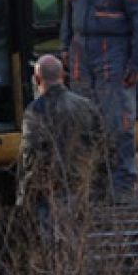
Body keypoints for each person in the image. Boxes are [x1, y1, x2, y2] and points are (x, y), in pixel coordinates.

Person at [60, 0, 138, 196]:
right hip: (80, 54)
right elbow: (69, 12)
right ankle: (93, 183)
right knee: (82, 120)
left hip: (114, 53)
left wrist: (137, 62)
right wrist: (64, 48)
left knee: (116, 121)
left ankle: (123, 184)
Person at [17, 54, 107, 223]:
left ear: (37, 79)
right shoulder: (86, 106)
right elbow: (103, 147)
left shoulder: (35, 111)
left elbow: (31, 155)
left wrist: (25, 195)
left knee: (54, 241)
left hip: (51, 190)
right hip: (83, 187)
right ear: (63, 76)